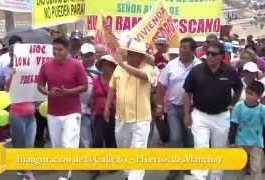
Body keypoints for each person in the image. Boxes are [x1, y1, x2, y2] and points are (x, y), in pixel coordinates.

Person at [183, 42, 243, 180]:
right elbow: (187, 93)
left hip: (221, 117)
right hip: (200, 116)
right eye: (208, 52)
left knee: (219, 149)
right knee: (201, 148)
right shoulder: (196, 70)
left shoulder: (229, 71)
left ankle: (216, 177)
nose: (209, 56)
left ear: (221, 56)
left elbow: (238, 88)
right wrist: (186, 115)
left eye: (213, 54)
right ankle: (199, 177)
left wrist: (232, 104)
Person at [104, 39, 159, 180]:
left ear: (141, 56)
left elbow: (142, 76)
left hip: (141, 119)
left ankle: (134, 177)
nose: (131, 56)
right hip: (121, 117)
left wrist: (122, 64)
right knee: (124, 149)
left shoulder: (149, 69)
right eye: (130, 53)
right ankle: (129, 175)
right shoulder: (119, 68)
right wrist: (107, 107)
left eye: (135, 54)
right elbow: (112, 87)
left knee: (138, 151)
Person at [37, 36, 88, 180]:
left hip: (72, 111)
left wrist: (68, 92)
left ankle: (66, 176)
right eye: (54, 49)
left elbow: (85, 86)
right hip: (53, 112)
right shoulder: (46, 65)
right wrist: (47, 92)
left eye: (60, 49)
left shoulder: (77, 65)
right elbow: (40, 85)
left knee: (68, 143)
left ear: (67, 50)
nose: (56, 52)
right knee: (57, 145)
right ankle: (64, 174)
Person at [156, 37, 201, 180]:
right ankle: (175, 169)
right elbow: (161, 86)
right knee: (175, 138)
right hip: (174, 108)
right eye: (181, 47)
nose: (182, 50)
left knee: (189, 139)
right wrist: (159, 105)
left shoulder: (200, 66)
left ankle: (188, 166)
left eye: (185, 48)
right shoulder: (171, 65)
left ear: (193, 50)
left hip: (193, 109)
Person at [5, 46, 36, 180]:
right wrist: (14, 74)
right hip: (17, 114)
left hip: (31, 114)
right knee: (20, 144)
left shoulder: (32, 73)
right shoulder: (12, 73)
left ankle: (27, 171)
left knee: (29, 144)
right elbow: (6, 89)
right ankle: (25, 171)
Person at [228, 80, 265, 180]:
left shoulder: (262, 109)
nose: (248, 96)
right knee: (240, 167)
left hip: (256, 143)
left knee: (256, 168)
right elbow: (233, 124)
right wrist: (231, 141)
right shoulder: (239, 106)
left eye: (251, 94)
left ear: (259, 96)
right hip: (240, 141)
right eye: (247, 93)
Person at [79, 43, 98, 148]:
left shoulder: (100, 69)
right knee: (86, 141)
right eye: (86, 55)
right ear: (81, 56)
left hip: (97, 110)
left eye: (91, 55)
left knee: (97, 139)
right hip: (81, 110)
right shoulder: (75, 68)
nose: (89, 58)